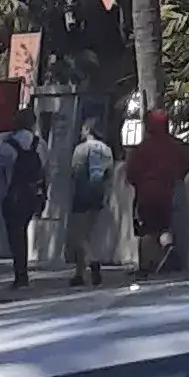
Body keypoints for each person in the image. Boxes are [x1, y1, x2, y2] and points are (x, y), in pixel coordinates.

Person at [125, 107, 189, 277]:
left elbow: (131, 173)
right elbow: (186, 165)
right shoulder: (176, 146)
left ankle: (145, 266)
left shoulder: (142, 149)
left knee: (147, 230)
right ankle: (168, 248)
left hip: (146, 194)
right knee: (164, 225)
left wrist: (139, 183)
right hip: (168, 192)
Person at [0, 106, 48, 290]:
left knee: (15, 234)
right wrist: (44, 195)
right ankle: (22, 272)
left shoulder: (6, 144)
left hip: (12, 195)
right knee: (21, 230)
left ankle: (20, 274)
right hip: (32, 195)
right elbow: (47, 171)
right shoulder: (40, 144)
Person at [66, 113, 116, 287]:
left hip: (82, 193)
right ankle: (79, 274)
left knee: (78, 235)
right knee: (88, 233)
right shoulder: (106, 149)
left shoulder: (80, 149)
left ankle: (93, 262)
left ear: (87, 130)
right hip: (98, 193)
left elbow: (75, 171)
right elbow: (110, 174)